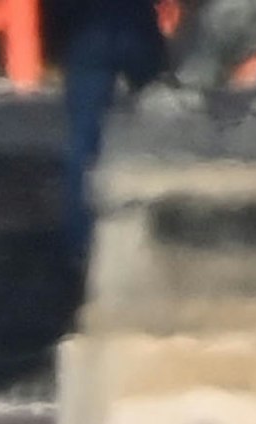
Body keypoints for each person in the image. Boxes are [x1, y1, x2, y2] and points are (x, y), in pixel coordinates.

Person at [57, 0, 172, 273]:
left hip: (86, 27)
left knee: (83, 139)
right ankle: (163, 219)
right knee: (163, 122)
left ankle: (81, 240)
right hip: (136, 23)